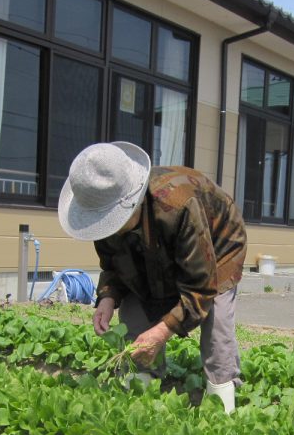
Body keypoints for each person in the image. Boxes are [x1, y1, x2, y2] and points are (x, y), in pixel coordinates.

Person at [58, 141, 247, 412]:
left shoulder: (180, 206)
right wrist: (108, 297)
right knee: (135, 309)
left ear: (131, 204)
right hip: (160, 246)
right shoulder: (103, 214)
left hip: (217, 245)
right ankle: (142, 391)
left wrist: (163, 330)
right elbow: (113, 263)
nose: (105, 227)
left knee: (216, 324)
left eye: (109, 220)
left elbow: (200, 287)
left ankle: (222, 402)